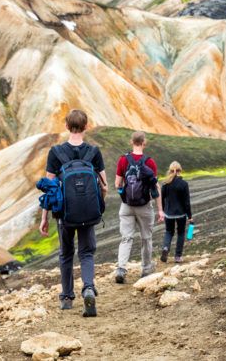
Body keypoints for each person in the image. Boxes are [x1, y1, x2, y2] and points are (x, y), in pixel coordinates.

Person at [39, 109, 108, 317]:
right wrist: (97, 206)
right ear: (86, 126)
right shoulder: (93, 152)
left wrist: (44, 217)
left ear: (67, 126)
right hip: (88, 213)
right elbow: (104, 187)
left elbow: (50, 189)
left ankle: (67, 297)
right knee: (86, 253)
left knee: (66, 254)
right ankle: (88, 288)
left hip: (64, 215)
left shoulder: (56, 152)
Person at [114, 131, 163, 283]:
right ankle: (146, 269)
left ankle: (121, 268)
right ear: (144, 142)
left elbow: (117, 184)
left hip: (127, 206)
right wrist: (160, 210)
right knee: (146, 238)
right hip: (144, 206)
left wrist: (124, 195)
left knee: (126, 237)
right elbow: (155, 187)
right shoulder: (150, 162)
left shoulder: (123, 160)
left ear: (131, 142)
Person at [160, 161, 193, 263]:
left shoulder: (165, 184)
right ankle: (178, 256)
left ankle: (165, 248)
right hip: (181, 214)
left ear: (170, 171)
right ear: (180, 170)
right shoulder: (184, 184)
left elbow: (162, 199)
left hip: (168, 213)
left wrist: (163, 211)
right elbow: (186, 202)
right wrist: (190, 216)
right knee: (181, 233)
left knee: (169, 232)